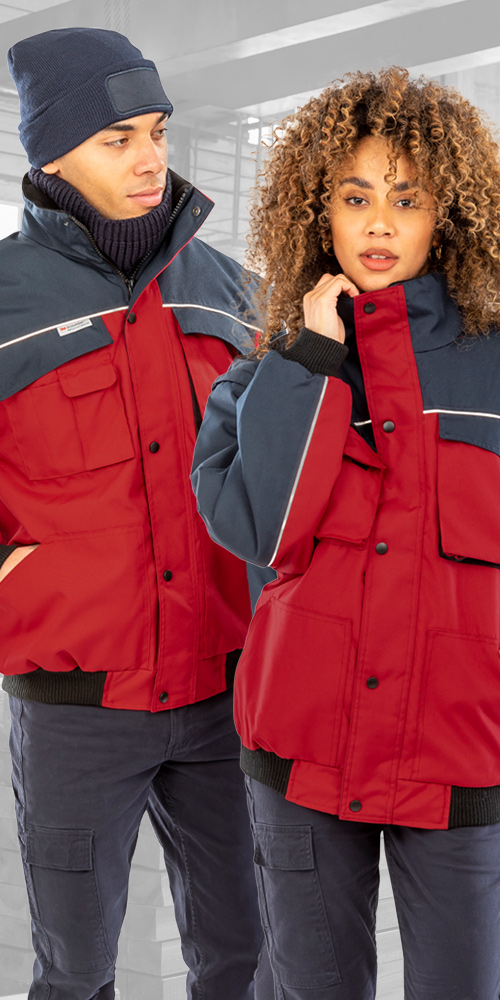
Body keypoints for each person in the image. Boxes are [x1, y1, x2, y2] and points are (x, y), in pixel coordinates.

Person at [191, 66, 500, 999]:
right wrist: (310, 363)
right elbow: (260, 528)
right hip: (300, 754)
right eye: (354, 197)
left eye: (405, 201)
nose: (377, 224)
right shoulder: (261, 375)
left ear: (446, 214)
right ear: (314, 212)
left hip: (462, 752)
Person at [0, 26, 271, 1000]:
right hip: (80, 709)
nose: (151, 156)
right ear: (52, 151)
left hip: (226, 696)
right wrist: (29, 589)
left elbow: (280, 476)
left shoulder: (228, 291)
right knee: (74, 970)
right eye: (118, 138)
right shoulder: (5, 303)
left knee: (245, 955)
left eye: (156, 130)